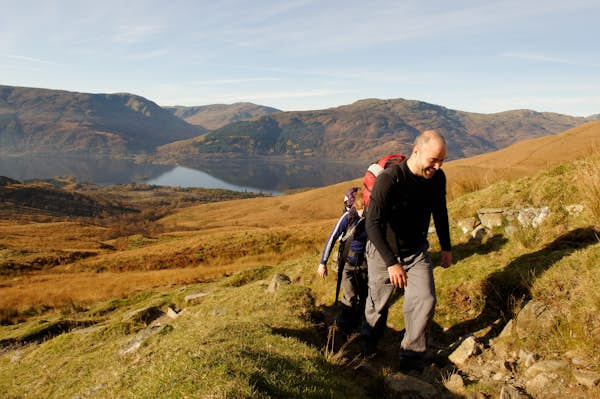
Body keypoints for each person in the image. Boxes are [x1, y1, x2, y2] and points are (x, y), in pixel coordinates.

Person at [362, 130, 452, 371]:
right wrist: (391, 262)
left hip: (416, 251)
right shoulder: (390, 179)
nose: (438, 165)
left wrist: (446, 247)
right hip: (383, 252)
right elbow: (372, 223)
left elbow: (440, 212)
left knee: (425, 299)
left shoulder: (438, 178)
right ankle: (368, 347)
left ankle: (411, 358)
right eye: (433, 159)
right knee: (378, 303)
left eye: (442, 160)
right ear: (416, 151)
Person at [318, 188, 368, 334]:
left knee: (365, 296)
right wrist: (323, 262)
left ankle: (359, 326)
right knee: (351, 296)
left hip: (364, 264)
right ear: (357, 206)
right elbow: (332, 238)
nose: (363, 213)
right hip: (347, 263)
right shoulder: (347, 217)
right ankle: (343, 329)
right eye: (362, 209)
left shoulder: (371, 217)